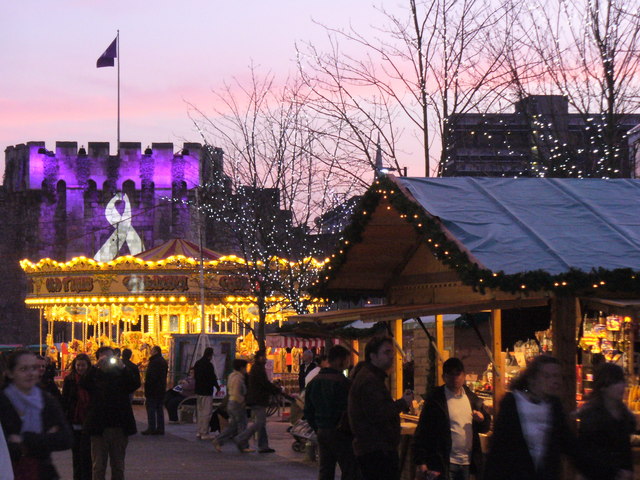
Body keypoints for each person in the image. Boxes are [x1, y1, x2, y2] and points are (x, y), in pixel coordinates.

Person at [484, 354, 578, 480]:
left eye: (557, 376)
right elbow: (499, 449)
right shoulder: (513, 404)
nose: (555, 381)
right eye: (547, 376)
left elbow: (569, 444)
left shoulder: (554, 407)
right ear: (532, 379)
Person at [413, 357, 491, 480]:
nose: (455, 378)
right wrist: (421, 462)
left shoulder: (472, 399)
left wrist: (482, 420)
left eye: (458, 374)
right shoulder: (435, 400)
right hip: (443, 462)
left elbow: (484, 428)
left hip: (467, 463)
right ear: (444, 377)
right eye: (450, 374)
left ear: (464, 376)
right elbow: (423, 432)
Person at [0, 349, 71, 480]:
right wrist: (45, 437)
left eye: (34, 368)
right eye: (23, 369)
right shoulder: (4, 401)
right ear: (10, 373)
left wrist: (25, 440)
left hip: (41, 471)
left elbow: (65, 438)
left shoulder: (46, 400)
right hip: (8, 471)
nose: (31, 373)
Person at [348, 337, 413, 480]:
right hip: (376, 450)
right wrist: (403, 403)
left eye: (392, 352)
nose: (391, 356)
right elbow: (378, 412)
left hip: (374, 449)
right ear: (373, 356)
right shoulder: (369, 380)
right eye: (386, 352)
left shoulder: (371, 377)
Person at [81, 346, 140, 480]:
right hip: (99, 427)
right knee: (98, 466)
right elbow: (84, 383)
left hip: (119, 426)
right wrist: (96, 367)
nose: (108, 361)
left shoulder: (121, 374)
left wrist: (123, 367)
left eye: (110, 357)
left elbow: (134, 384)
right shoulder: (95, 375)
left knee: (118, 465)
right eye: (104, 358)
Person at [305, 345, 359, 480]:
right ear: (340, 360)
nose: (348, 364)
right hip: (341, 433)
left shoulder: (314, 382)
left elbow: (308, 410)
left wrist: (317, 427)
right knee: (349, 469)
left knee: (325, 469)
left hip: (322, 430)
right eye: (347, 360)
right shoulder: (344, 383)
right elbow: (352, 409)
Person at [577, 362, 634, 480]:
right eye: (616, 382)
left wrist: (627, 471)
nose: (622, 386)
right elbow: (588, 456)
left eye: (622, 381)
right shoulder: (592, 415)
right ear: (603, 386)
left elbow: (625, 451)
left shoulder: (623, 414)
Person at [234, 350, 286, 453]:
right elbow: (264, 383)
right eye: (264, 357)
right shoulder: (258, 369)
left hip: (256, 398)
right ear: (259, 358)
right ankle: (241, 438)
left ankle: (263, 445)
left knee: (261, 423)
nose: (266, 359)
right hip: (258, 399)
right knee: (260, 422)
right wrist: (276, 390)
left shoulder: (256, 368)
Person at [61, 354, 93, 480]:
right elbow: (65, 398)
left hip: (88, 418)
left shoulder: (92, 379)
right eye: (78, 365)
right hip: (74, 417)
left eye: (83, 365)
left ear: (88, 366)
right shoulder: (69, 379)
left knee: (87, 453)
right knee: (76, 453)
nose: (80, 368)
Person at [212, 359, 251, 452]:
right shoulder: (238, 378)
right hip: (237, 403)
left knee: (233, 426)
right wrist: (242, 402)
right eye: (245, 367)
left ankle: (218, 440)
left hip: (231, 403)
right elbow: (237, 392)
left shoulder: (231, 376)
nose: (246, 369)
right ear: (242, 368)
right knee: (242, 425)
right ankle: (243, 445)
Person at [193, 347, 220, 440]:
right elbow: (212, 377)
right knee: (206, 412)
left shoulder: (197, 363)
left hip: (198, 390)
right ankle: (204, 432)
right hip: (207, 391)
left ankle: (199, 431)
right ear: (210, 355)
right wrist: (217, 387)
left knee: (200, 411)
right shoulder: (209, 365)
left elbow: (195, 376)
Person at [142, 346, 168, 435]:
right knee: (159, 409)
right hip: (160, 388)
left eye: (152, 350)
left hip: (153, 389)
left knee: (151, 408)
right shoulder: (162, 361)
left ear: (156, 351)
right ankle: (160, 428)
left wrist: (148, 387)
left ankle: (151, 427)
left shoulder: (154, 362)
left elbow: (152, 377)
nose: (150, 351)